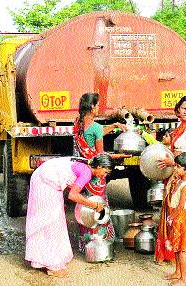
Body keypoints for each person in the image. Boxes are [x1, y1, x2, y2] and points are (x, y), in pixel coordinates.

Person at [25, 153, 114, 278]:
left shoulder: (86, 163)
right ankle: (52, 266)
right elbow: (72, 196)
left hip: (42, 176)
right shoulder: (87, 172)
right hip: (45, 182)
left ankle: (40, 259)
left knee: (49, 220)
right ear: (99, 166)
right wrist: (94, 205)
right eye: (105, 172)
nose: (104, 176)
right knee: (52, 222)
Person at [73, 92, 128, 252]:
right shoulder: (95, 127)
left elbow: (93, 134)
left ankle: (86, 244)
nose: (98, 108)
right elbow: (101, 156)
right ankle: (100, 243)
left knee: (86, 207)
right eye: (97, 105)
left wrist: (113, 126)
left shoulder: (78, 123)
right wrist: (119, 156)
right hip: (96, 174)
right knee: (99, 205)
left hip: (83, 170)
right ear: (91, 107)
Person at [156, 95, 186, 264]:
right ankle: (171, 251)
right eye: (183, 108)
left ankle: (185, 253)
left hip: (185, 177)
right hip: (175, 174)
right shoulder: (180, 127)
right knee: (171, 211)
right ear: (178, 109)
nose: (185, 111)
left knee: (182, 214)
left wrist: (172, 162)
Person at [164, 152, 186, 286]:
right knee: (176, 247)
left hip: (183, 218)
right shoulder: (180, 181)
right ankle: (177, 272)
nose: (175, 168)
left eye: (178, 167)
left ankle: (184, 280)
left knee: (182, 250)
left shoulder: (185, 185)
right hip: (178, 217)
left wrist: (171, 217)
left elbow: (181, 206)